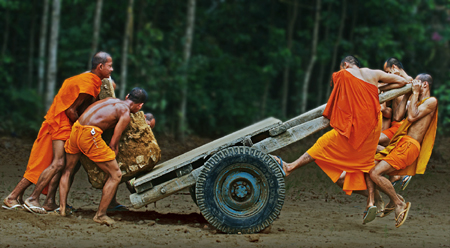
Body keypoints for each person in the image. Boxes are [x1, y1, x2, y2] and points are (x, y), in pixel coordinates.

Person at [273, 55, 408, 224]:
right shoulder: (373, 74)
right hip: (371, 128)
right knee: (346, 177)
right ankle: (390, 200)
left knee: (323, 143)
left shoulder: (344, 75)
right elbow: (401, 82)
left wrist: (377, 88)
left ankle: (289, 167)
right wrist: (378, 87)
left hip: (357, 128)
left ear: (345, 65)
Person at [2, 52, 114, 213]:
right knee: (56, 163)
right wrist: (80, 129)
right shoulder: (89, 84)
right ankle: (26, 198)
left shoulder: (89, 80)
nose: (112, 69)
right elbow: (71, 110)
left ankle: (44, 201)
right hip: (60, 123)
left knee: (49, 163)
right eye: (110, 66)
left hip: (59, 122)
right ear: (100, 66)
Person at [59, 88, 148, 225]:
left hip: (76, 129)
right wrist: (112, 164)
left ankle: (62, 209)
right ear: (140, 105)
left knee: (68, 170)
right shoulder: (125, 113)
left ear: (127, 96)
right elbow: (113, 144)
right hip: (89, 134)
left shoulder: (109, 100)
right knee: (116, 175)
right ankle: (100, 215)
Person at [370, 74, 438, 228]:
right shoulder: (415, 101)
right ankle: (395, 195)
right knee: (370, 166)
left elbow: (413, 116)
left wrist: (414, 93)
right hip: (401, 143)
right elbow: (399, 115)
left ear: (425, 85)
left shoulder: (431, 102)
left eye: (417, 82)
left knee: (375, 173)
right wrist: (407, 94)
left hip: (409, 146)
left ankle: (399, 203)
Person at [379, 57, 414, 189]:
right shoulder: (400, 83)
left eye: (387, 72)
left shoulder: (410, 82)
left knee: (370, 142)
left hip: (401, 126)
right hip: (394, 125)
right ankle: (395, 174)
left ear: (394, 68)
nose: (387, 75)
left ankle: (401, 169)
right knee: (373, 148)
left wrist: (381, 86)